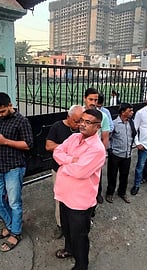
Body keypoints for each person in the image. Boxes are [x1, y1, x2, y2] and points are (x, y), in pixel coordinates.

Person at [53, 109, 106, 270]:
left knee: (80, 237)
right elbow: (57, 152)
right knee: (67, 230)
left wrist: (64, 165)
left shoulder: (97, 149)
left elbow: (80, 171)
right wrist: (71, 160)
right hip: (64, 195)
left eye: (88, 122)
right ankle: (69, 250)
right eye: (82, 120)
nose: (82, 124)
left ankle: (81, 265)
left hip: (80, 202)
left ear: (97, 127)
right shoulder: (74, 137)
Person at [0, 92, 33, 252]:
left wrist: (5, 141)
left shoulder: (22, 121)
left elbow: (28, 144)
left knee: (14, 203)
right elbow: (1, 141)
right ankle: (11, 225)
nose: (0, 114)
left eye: (2, 111)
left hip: (14, 167)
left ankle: (16, 233)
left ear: (10, 105)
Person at [45, 105, 84, 239]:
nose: (79, 124)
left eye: (81, 121)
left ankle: (73, 224)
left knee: (75, 199)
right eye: (76, 121)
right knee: (60, 198)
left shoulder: (82, 130)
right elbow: (49, 146)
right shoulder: (57, 127)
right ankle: (60, 225)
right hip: (59, 170)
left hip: (76, 171)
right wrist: (67, 148)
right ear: (68, 117)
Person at [83, 88, 110, 204]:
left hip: (95, 153)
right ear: (84, 99)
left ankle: (97, 194)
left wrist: (102, 156)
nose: (93, 103)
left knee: (95, 176)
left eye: (96, 100)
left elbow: (105, 137)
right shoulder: (79, 113)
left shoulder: (103, 116)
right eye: (90, 99)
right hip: (80, 152)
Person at [106, 103, 135, 203]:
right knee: (112, 175)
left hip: (127, 154)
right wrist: (111, 150)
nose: (132, 112)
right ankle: (110, 193)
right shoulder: (114, 124)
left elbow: (133, 135)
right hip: (115, 155)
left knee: (124, 175)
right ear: (123, 112)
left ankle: (122, 192)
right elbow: (108, 138)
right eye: (130, 110)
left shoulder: (131, 122)